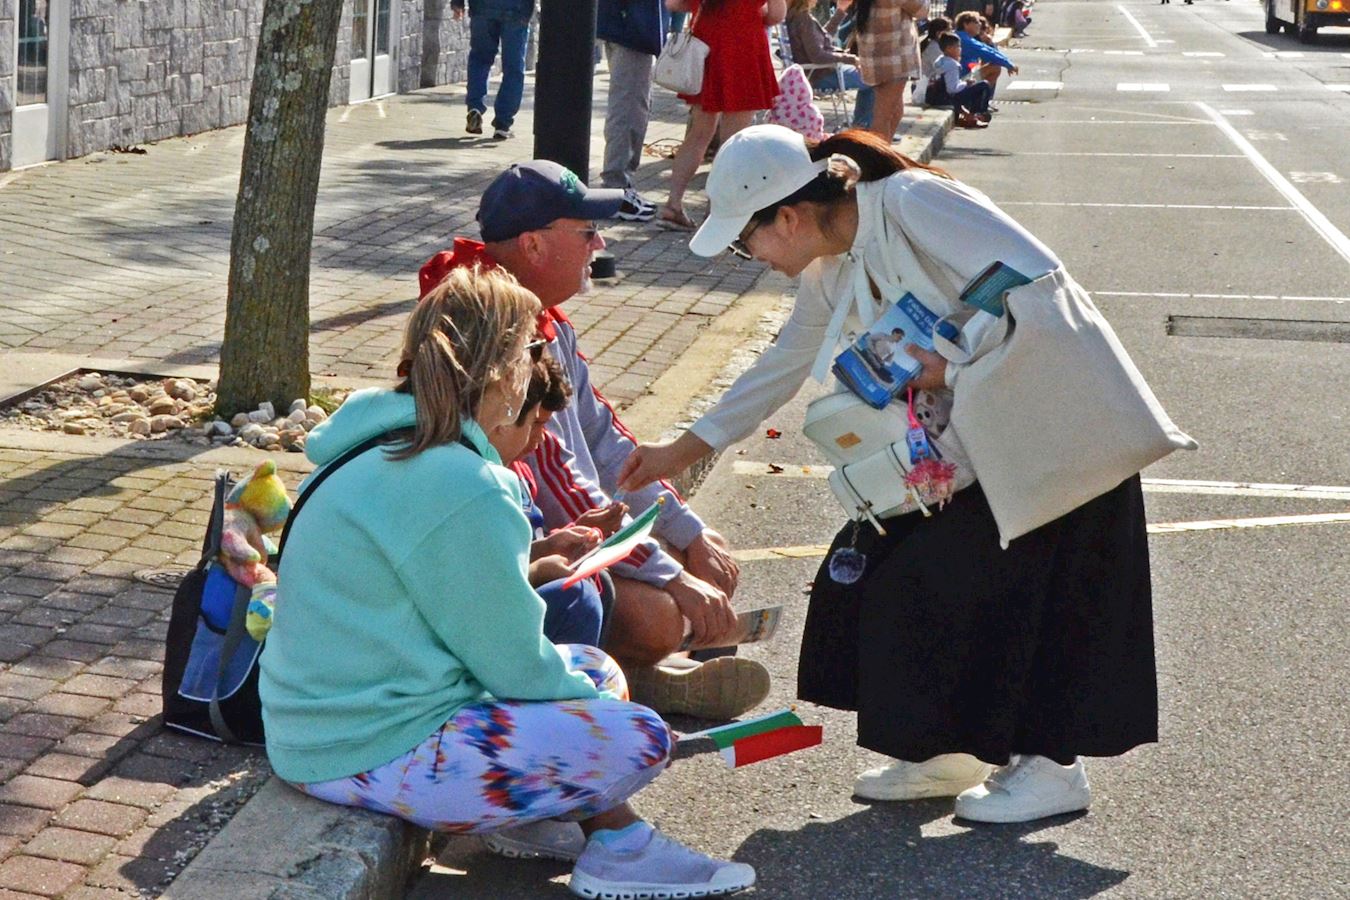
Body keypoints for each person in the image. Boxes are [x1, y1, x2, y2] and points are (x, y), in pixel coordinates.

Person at [619, 124, 1187, 824]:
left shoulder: (913, 202)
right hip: (973, 445)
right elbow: (784, 359)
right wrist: (682, 450)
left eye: (747, 240)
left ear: (789, 218)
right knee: (908, 581)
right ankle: (950, 745)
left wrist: (960, 368)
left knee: (1040, 599)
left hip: (1053, 432)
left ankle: (1051, 768)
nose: (753, 257)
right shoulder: (836, 262)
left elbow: (1037, 282)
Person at [258, 266, 756, 897]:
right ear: (502, 373)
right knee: (637, 736)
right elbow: (511, 663)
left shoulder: (380, 446)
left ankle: (585, 831)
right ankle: (616, 847)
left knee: (593, 669)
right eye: (532, 349)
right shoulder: (462, 482)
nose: (541, 361)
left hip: (325, 730)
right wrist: (596, 711)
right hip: (365, 748)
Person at [418, 161, 771, 721]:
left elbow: (608, 445)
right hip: (526, 549)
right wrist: (672, 577)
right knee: (661, 614)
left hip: (570, 533)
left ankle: (643, 672)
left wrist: (689, 535)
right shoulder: (499, 333)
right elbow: (559, 478)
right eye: (586, 232)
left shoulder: (548, 322)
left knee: (704, 559)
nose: (600, 245)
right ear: (533, 245)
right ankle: (637, 673)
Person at [487, 354, 617, 647]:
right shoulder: (480, 485)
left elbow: (520, 549)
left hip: (519, 591)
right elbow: (484, 575)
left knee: (602, 585)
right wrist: (536, 572)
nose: (541, 438)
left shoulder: (519, 471)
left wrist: (555, 543)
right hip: (495, 621)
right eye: (535, 423)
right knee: (577, 599)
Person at [658, 0, 788, 230]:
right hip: (744, 45)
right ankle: (717, 210)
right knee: (735, 140)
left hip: (707, 44)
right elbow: (777, 15)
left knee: (698, 134)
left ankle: (673, 203)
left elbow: (673, 3)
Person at [597, 0, 668, 221]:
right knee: (629, 110)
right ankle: (616, 187)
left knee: (631, 107)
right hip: (632, 28)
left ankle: (618, 184)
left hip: (627, 26)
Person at [785, 0, 876, 130]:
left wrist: (840, 11)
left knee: (870, 76)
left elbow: (822, 39)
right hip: (820, 74)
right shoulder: (803, 19)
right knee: (872, 78)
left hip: (812, 72)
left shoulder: (796, 16)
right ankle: (862, 126)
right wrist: (851, 59)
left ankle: (862, 125)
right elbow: (817, 56)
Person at [452, 0, 532, 140]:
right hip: (516, 9)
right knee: (513, 68)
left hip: (482, 7)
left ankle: (475, 107)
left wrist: (457, 3)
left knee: (480, 59)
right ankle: (503, 123)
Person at [851, 0, 928, 144]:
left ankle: (885, 152)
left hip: (874, 52)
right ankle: (877, 159)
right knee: (883, 115)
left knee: (895, 111)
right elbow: (922, 10)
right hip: (894, 56)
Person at [925, 32, 993, 128]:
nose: (960, 49)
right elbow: (952, 89)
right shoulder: (952, 64)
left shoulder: (940, 60)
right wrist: (966, 84)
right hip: (947, 98)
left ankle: (967, 115)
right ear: (949, 48)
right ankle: (976, 115)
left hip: (935, 96)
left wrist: (963, 83)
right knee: (984, 85)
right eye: (958, 47)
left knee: (972, 86)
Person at [954, 9, 1018, 102]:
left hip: (964, 74)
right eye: (976, 22)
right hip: (960, 79)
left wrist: (1006, 61)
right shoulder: (965, 40)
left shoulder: (966, 37)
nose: (979, 24)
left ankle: (979, 99)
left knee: (993, 65)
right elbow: (987, 53)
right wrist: (1008, 64)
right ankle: (979, 101)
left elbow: (989, 50)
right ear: (966, 24)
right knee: (995, 68)